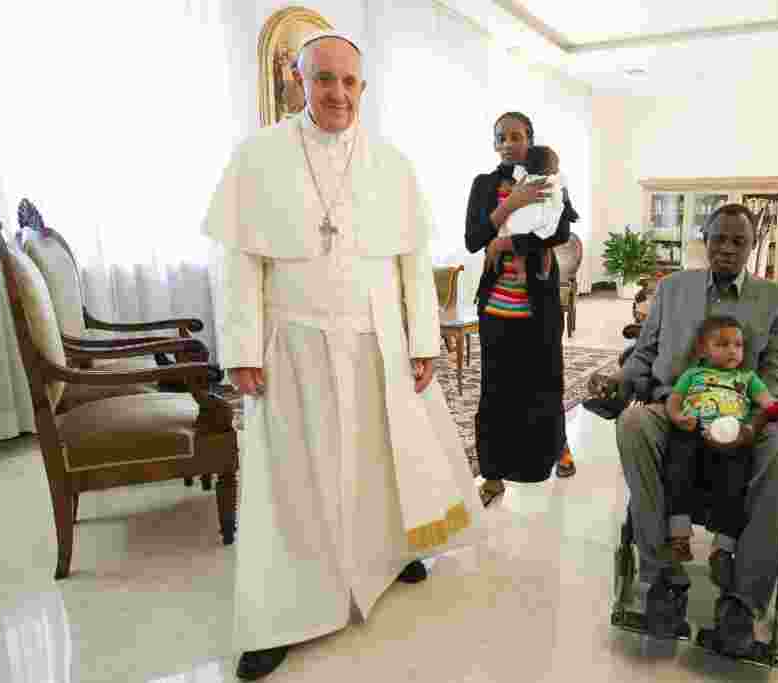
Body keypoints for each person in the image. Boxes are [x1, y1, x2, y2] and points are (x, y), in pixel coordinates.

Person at [203, 32, 484, 681]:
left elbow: (412, 261)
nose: (337, 93)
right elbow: (242, 264)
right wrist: (242, 349)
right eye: (323, 79)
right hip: (294, 342)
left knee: (379, 459)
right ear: (299, 82)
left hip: (376, 338)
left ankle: (387, 557)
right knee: (291, 478)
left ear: (363, 88)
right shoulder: (259, 157)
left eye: (349, 82)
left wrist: (421, 341)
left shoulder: (391, 163)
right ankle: (280, 614)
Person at [591, 203, 778, 654]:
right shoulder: (672, 289)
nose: (727, 249)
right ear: (705, 240)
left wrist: (747, 424)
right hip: (675, 408)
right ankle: (663, 582)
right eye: (719, 239)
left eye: (738, 241)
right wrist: (618, 380)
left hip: (745, 413)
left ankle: (741, 603)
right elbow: (643, 355)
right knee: (634, 422)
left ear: (753, 246)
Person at [465, 112, 580, 505]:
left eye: (517, 135)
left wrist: (507, 244)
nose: (510, 142)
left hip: (539, 306)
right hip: (497, 307)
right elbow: (473, 238)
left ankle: (557, 449)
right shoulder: (484, 185)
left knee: (545, 384)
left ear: (530, 139)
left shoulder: (549, 178)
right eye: (502, 137)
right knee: (495, 392)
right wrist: (510, 204)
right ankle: (493, 474)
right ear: (494, 143)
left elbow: (562, 232)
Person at [663, 316, 774, 586]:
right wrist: (677, 417)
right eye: (722, 344)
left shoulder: (748, 378)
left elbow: (768, 402)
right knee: (676, 462)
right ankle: (679, 535)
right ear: (703, 350)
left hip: (731, 438)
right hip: (693, 430)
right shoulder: (693, 374)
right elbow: (674, 400)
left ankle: (722, 549)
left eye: (738, 345)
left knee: (738, 478)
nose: (732, 350)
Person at [500, 145, 565, 283]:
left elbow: (514, 189)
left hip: (523, 220)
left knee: (519, 249)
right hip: (541, 221)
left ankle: (521, 273)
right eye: (555, 165)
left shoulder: (525, 177)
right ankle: (546, 272)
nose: (557, 168)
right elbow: (558, 200)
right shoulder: (551, 181)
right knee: (545, 248)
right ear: (548, 167)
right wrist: (558, 209)